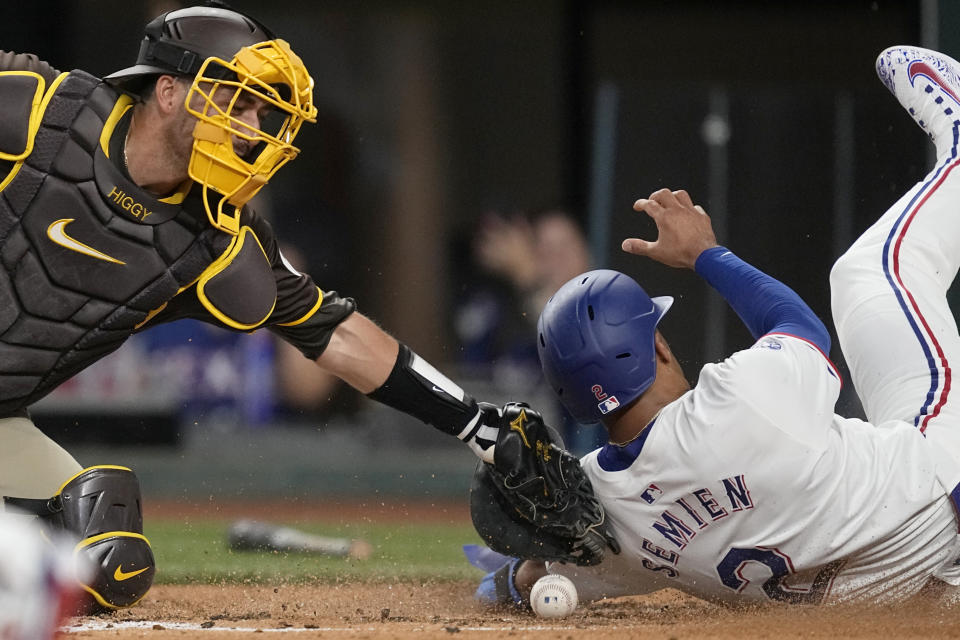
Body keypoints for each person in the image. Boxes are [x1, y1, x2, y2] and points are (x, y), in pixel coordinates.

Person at [0, 2, 519, 612]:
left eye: (259, 111)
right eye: (235, 101)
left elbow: (341, 335)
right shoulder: (34, 109)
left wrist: (478, 425)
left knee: (107, 554)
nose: (251, 127)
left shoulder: (219, 244)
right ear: (168, 91)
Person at [475, 45, 960, 607]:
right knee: (866, 275)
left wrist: (517, 575)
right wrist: (707, 254)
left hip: (909, 595)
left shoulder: (604, 518)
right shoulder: (735, 401)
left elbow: (503, 591)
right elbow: (799, 324)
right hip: (943, 491)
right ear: (655, 345)